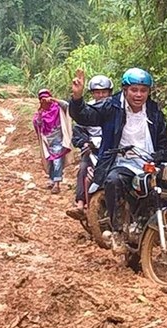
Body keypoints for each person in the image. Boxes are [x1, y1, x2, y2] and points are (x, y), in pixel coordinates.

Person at [69, 68, 167, 253]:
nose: (139, 95)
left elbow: (163, 141)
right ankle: (117, 231)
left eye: (143, 90)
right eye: (134, 90)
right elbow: (85, 115)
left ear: (148, 92)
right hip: (122, 161)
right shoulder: (111, 106)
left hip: (150, 163)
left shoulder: (155, 112)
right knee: (113, 181)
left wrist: (165, 154)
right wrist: (77, 98)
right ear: (125, 90)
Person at [66, 75, 114, 221]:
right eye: (97, 92)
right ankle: (80, 204)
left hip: (112, 150)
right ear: (92, 93)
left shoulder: (116, 108)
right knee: (83, 169)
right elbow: (77, 133)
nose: (101, 95)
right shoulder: (87, 110)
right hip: (93, 151)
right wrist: (84, 143)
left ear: (110, 92)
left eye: (104, 92)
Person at [33, 89, 73, 194]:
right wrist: (41, 112)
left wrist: (53, 100)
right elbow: (37, 124)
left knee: (57, 160)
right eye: (42, 99)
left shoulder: (58, 108)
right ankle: (51, 179)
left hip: (59, 138)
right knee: (50, 160)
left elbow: (67, 105)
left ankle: (57, 183)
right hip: (47, 140)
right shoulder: (40, 112)